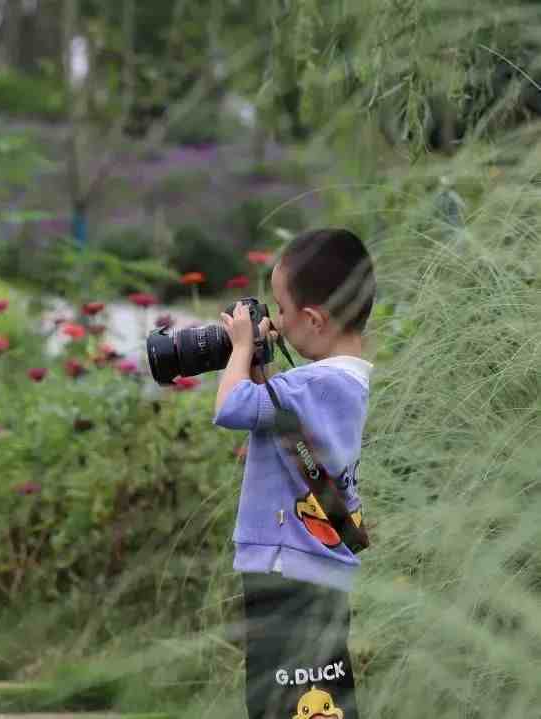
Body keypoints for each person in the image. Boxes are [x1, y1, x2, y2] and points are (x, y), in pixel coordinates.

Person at [212, 228, 376, 719]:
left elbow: (231, 408)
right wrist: (259, 366)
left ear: (313, 319)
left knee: (286, 703)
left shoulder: (318, 383)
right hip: (309, 568)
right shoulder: (337, 382)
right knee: (314, 698)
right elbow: (274, 411)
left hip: (290, 572)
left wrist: (241, 348)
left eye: (280, 310)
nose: (276, 324)